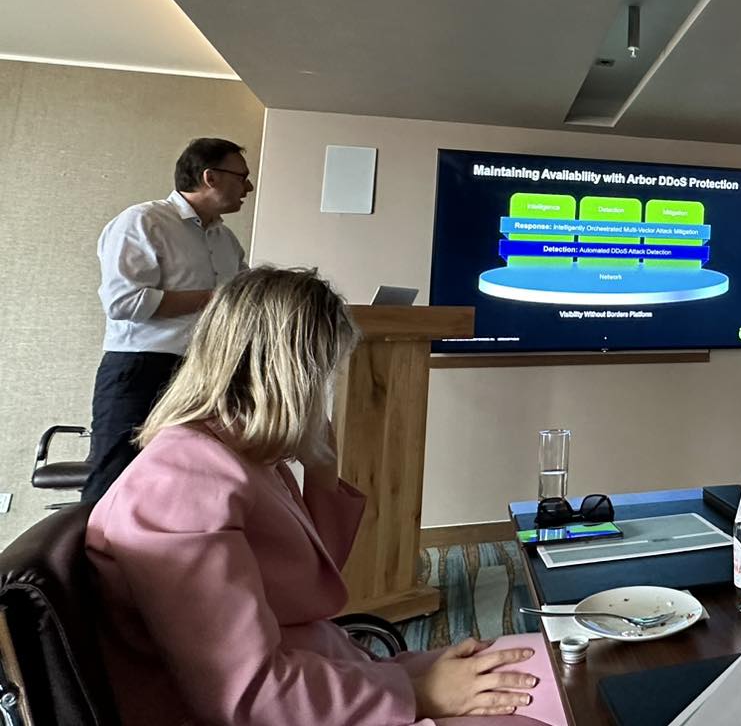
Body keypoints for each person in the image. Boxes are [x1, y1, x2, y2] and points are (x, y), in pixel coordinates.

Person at [86, 266, 552, 725]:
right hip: (310, 703)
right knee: (548, 698)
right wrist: (420, 691)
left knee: (561, 663)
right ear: (294, 373)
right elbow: (251, 697)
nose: (326, 390)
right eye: (325, 372)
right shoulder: (183, 481)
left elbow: (309, 585)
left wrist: (321, 464)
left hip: (338, 673)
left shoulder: (241, 454)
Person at [84, 137, 254, 501]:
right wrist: (214, 299)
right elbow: (124, 302)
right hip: (141, 368)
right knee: (115, 482)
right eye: (242, 177)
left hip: (205, 372)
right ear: (210, 177)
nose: (249, 187)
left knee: (186, 488)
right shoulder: (143, 221)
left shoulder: (226, 240)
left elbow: (242, 301)